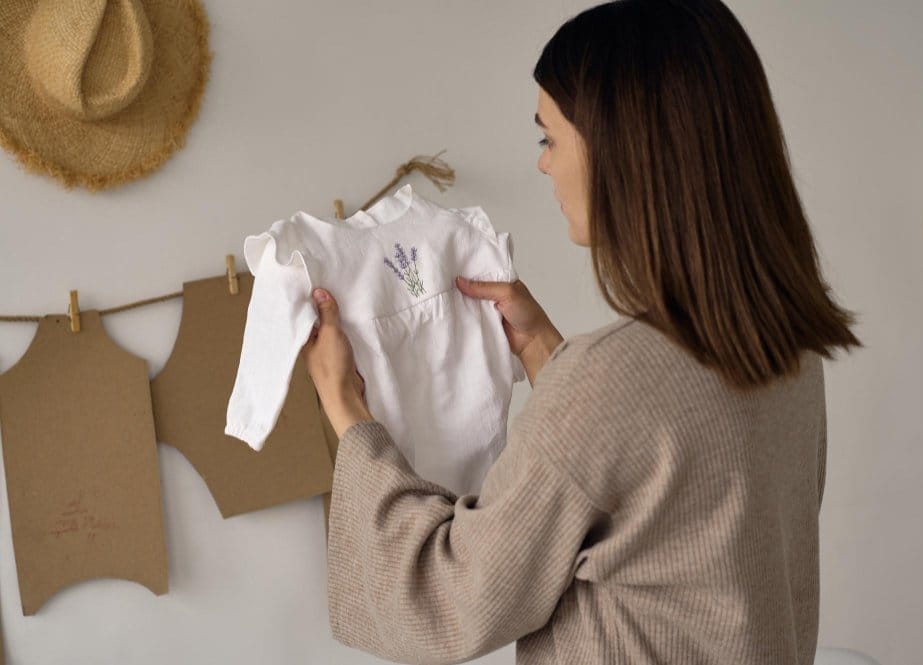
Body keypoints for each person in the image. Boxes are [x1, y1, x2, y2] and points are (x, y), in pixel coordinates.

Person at [304, 0, 863, 663]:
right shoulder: (788, 351)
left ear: (625, 153)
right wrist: (551, 357)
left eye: (549, 138)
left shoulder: (611, 379)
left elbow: (444, 596)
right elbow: (669, 526)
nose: (544, 165)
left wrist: (348, 413)